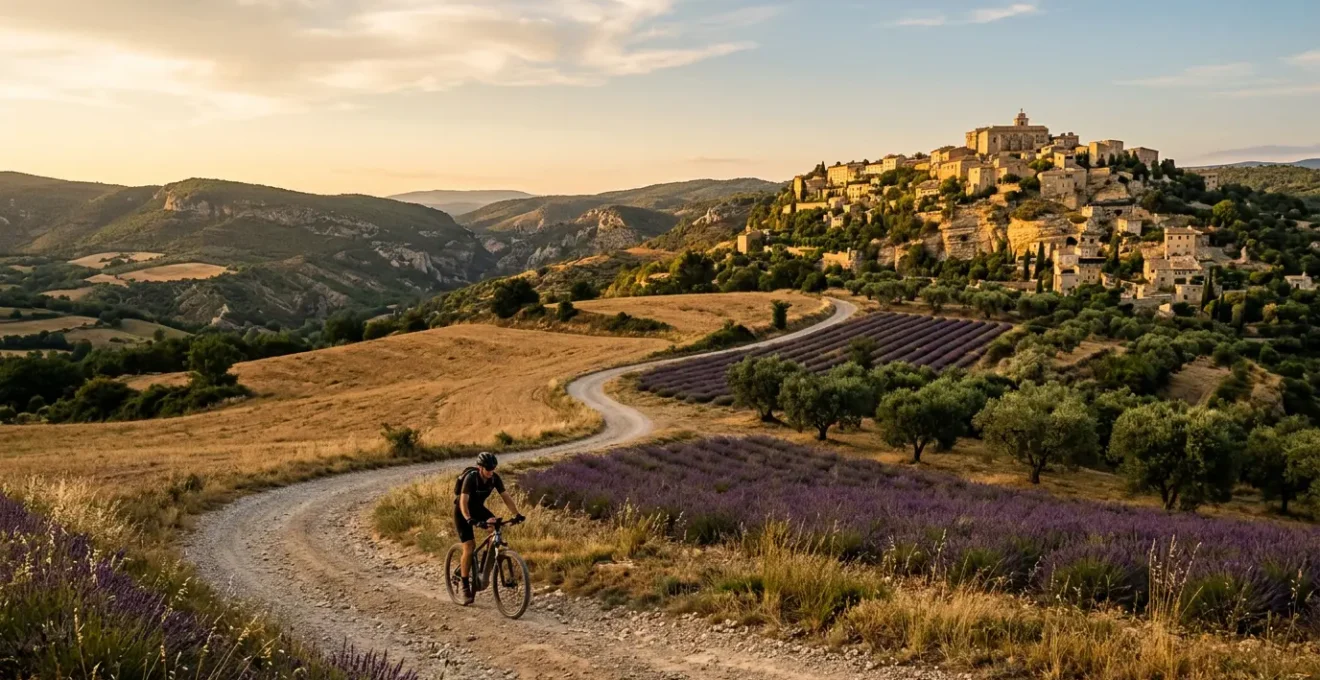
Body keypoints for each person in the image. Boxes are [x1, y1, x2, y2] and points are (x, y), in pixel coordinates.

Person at [453, 451, 522, 605]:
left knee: (495, 528)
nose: (491, 472)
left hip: (478, 508)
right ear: (480, 467)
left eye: (493, 468)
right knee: (469, 547)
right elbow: (463, 501)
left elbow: (505, 497)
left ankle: (484, 567)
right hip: (462, 512)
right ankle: (465, 586)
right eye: (488, 469)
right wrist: (470, 519)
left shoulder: (494, 478)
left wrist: (517, 514)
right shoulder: (471, 478)